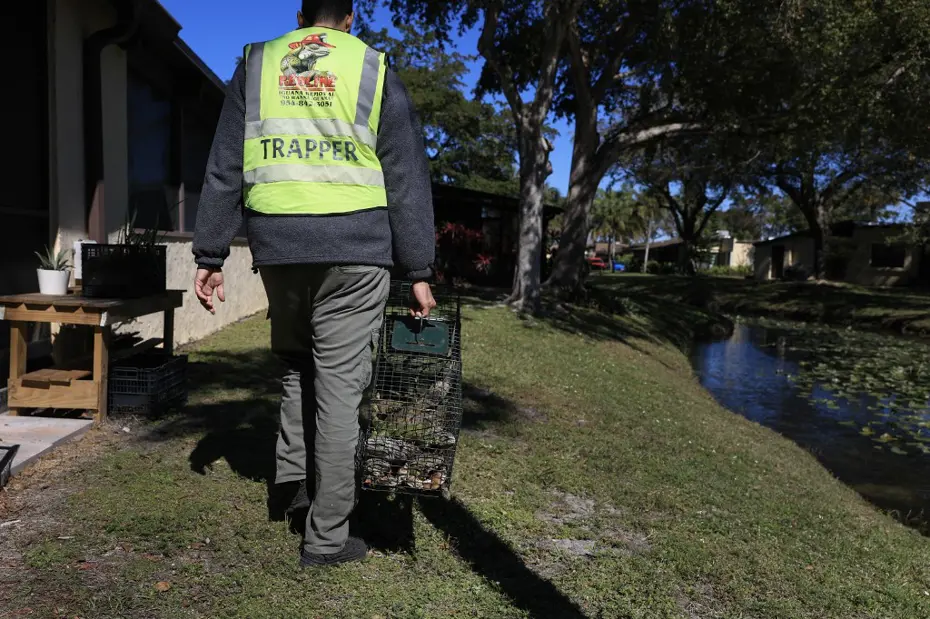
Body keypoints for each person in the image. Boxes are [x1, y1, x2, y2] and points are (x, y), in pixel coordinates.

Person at [191, 0, 436, 568]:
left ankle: (295, 483)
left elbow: (226, 164)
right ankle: (327, 538)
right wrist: (419, 271)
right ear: (349, 19)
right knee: (341, 390)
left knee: (301, 364)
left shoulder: (256, 64)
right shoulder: (373, 68)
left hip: (280, 247)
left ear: (301, 17)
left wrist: (209, 251)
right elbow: (405, 176)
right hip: (357, 252)